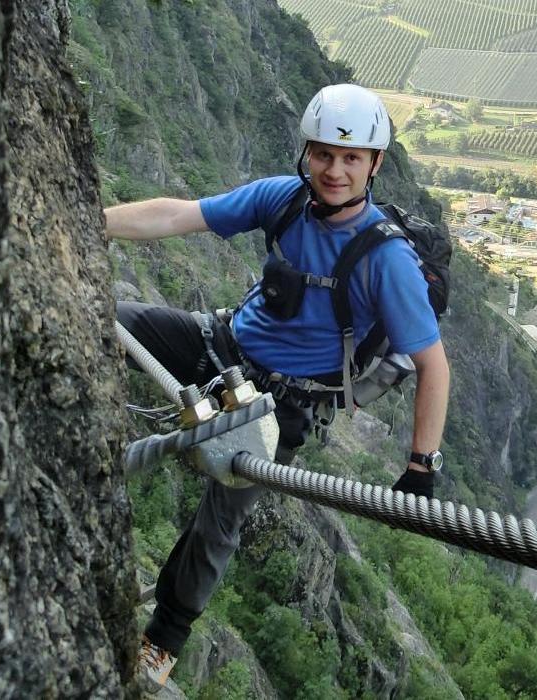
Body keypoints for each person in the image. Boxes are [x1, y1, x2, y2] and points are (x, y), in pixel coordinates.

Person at [102, 83, 451, 690]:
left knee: (221, 516)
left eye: (350, 158)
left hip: (280, 404)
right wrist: (91, 222)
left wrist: (421, 465)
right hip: (220, 348)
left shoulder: (386, 260)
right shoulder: (283, 200)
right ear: (307, 153)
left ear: (375, 164)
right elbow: (180, 214)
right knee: (109, 319)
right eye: (322, 154)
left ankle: (164, 637)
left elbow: (433, 364)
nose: (334, 171)